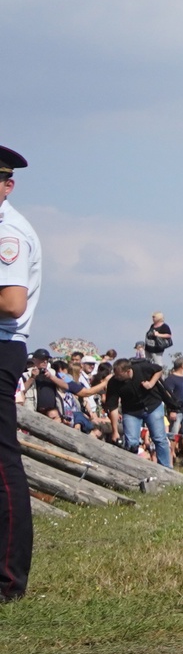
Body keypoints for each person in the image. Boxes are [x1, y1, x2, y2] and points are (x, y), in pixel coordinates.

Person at [0, 145, 39, 601]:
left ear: (8, 184)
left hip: (3, 345)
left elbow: (12, 302)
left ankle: (8, 581)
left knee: (2, 463)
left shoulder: (9, 232)